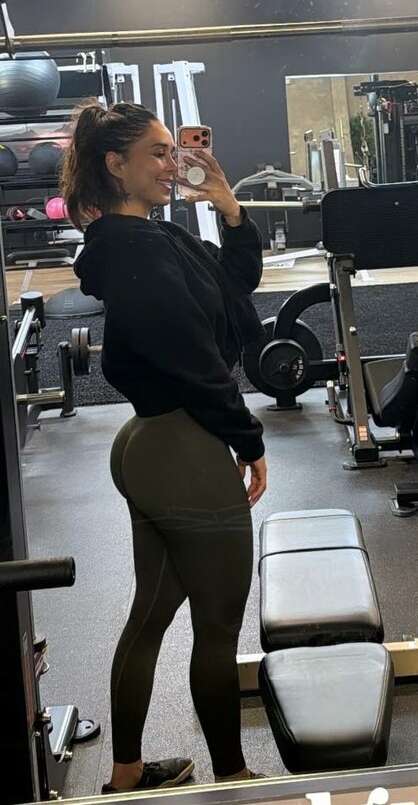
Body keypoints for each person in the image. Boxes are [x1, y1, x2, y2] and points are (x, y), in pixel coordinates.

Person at [60, 100, 268, 794]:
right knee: (218, 625)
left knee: (151, 613)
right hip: (181, 446)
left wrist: (230, 210)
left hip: (152, 443)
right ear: (114, 165)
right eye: (156, 152)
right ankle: (233, 778)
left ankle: (126, 776)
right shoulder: (138, 250)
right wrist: (246, 437)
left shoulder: (153, 239)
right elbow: (191, 358)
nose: (171, 163)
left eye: (170, 150)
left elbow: (235, 288)